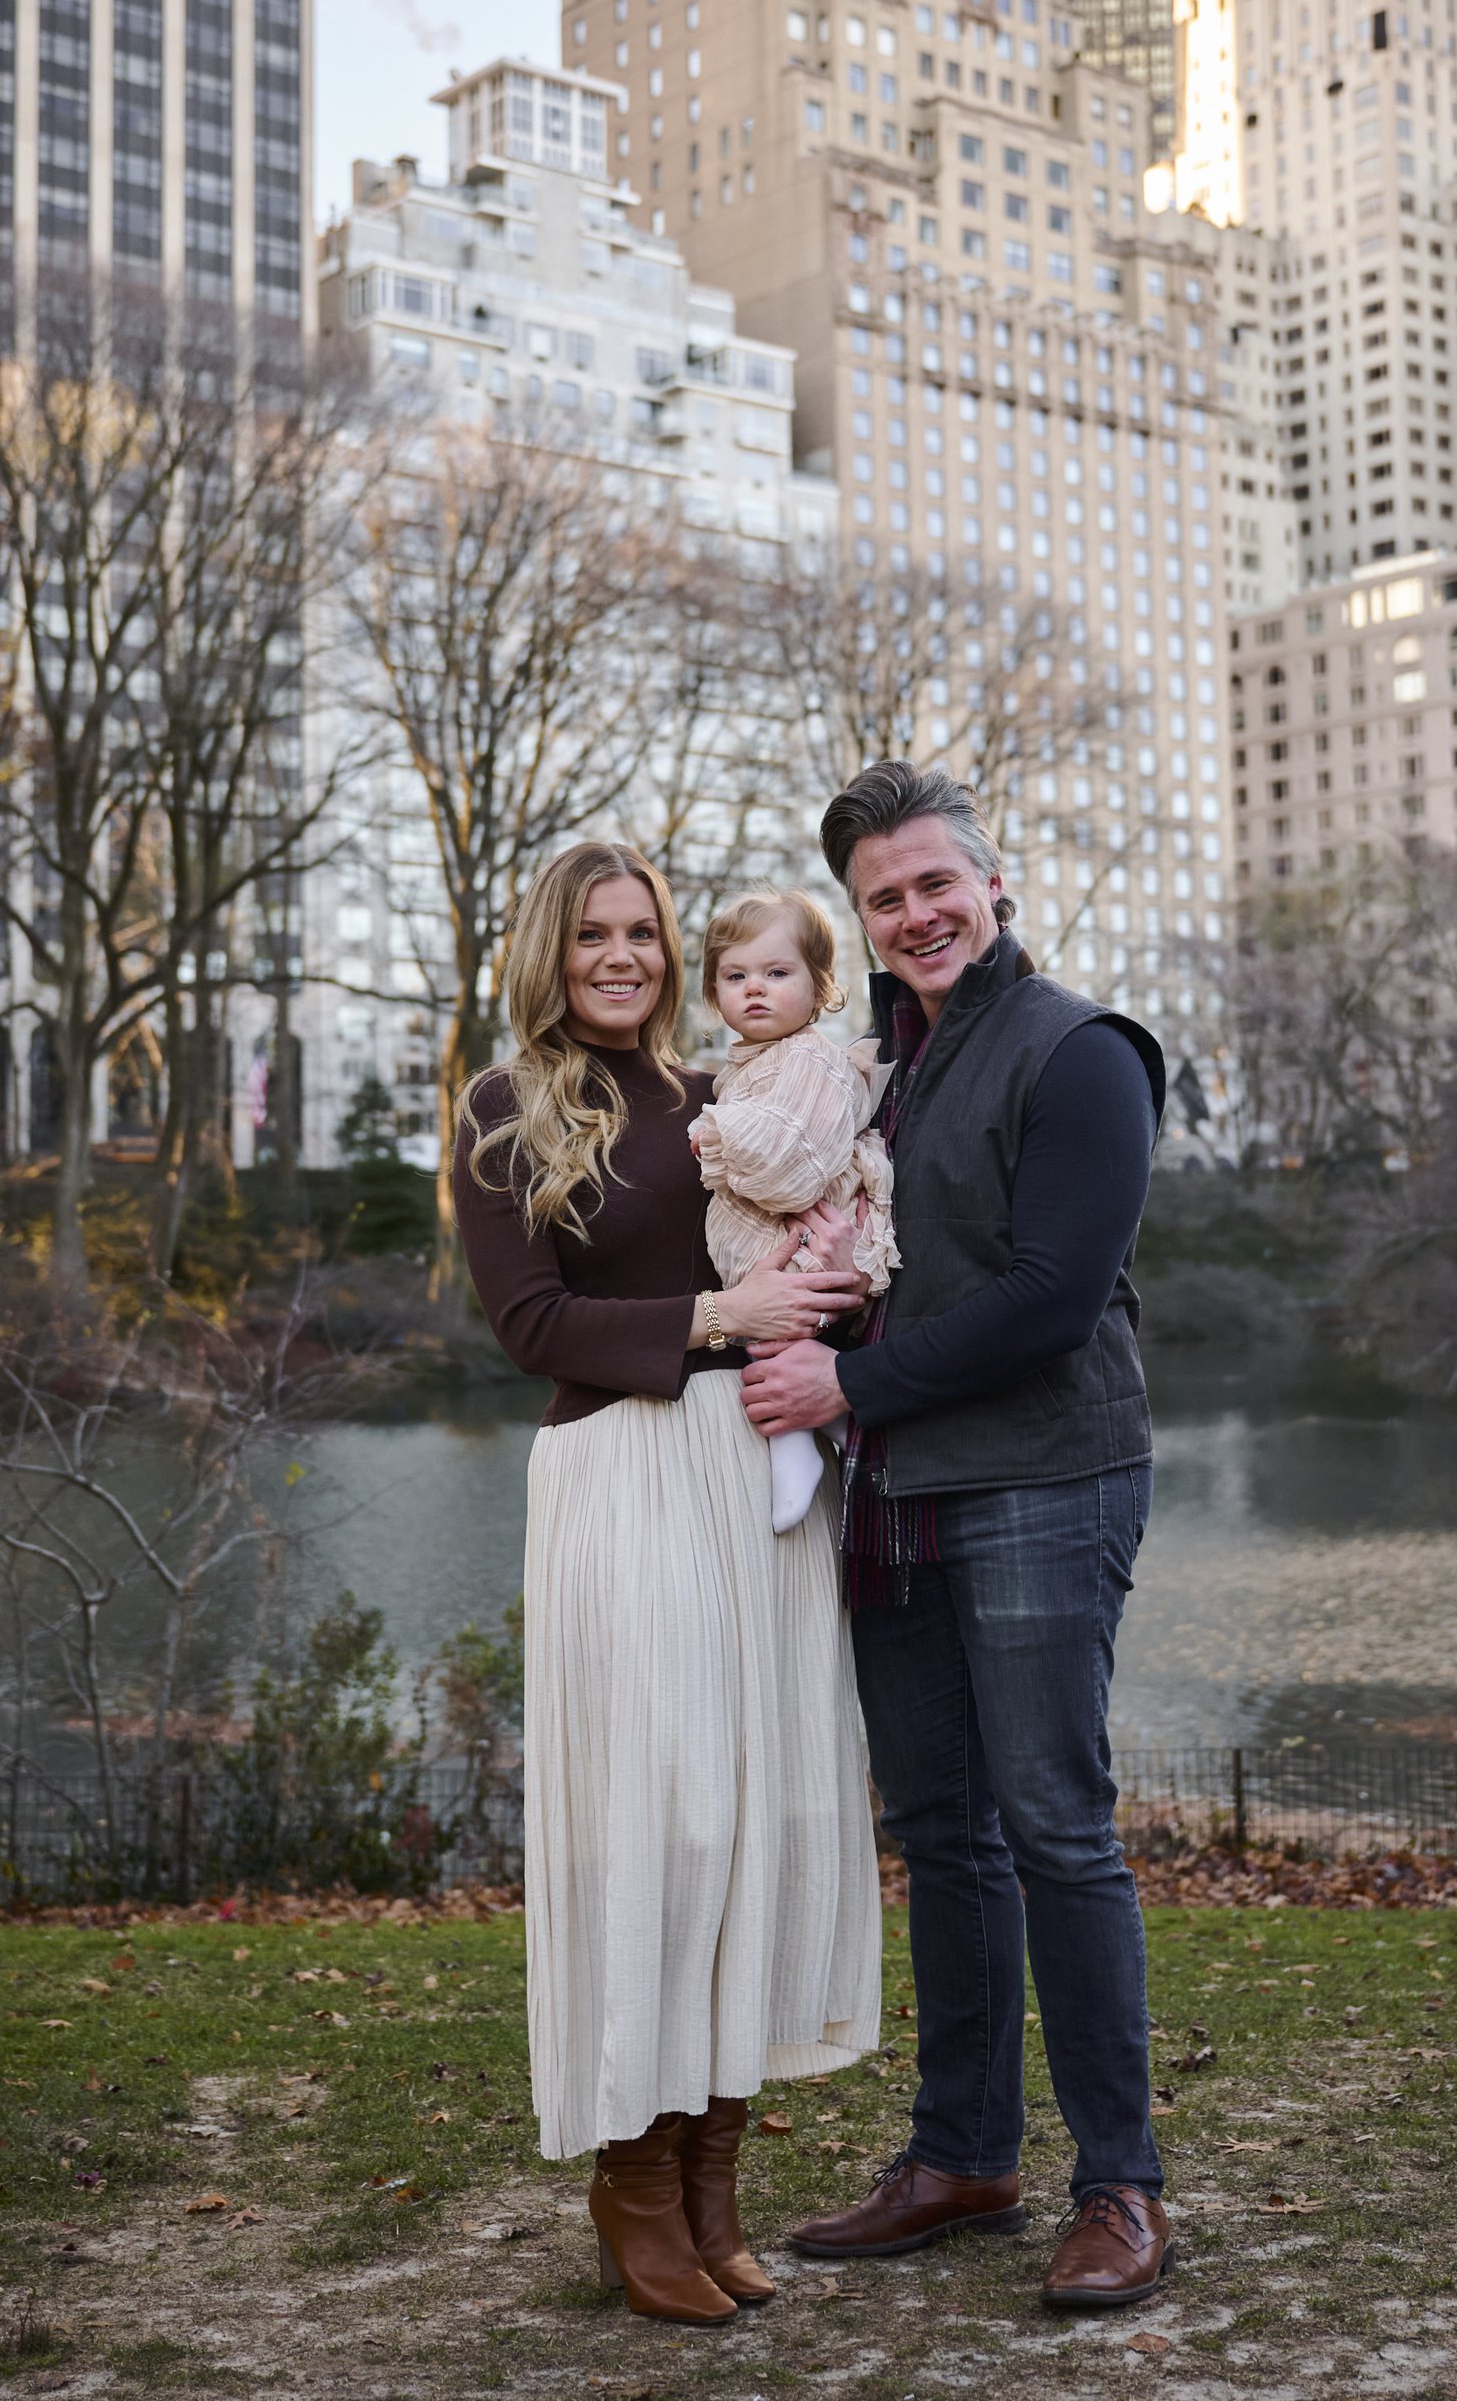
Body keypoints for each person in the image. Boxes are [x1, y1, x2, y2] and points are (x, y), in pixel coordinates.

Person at [741, 761, 1173, 2311]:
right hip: (902, 1497)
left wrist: (846, 1385)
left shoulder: (1083, 1051)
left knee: (1056, 1828)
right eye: (885, 897)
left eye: (937, 883)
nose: (917, 913)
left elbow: (1053, 1298)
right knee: (945, 1835)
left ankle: (1120, 2187)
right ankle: (963, 2156)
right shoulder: (878, 1070)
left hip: (1046, 1479)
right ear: (861, 920)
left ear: (994, 886)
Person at [452, 839, 881, 2327]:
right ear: (552, 954)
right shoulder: (505, 1107)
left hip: (754, 1473)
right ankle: (633, 2186)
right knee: (667, 1819)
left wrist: (831, 1290)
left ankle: (712, 2189)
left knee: (759, 1817)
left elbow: (816, 1231)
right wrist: (720, 1314)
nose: (623, 957)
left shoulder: (726, 1093)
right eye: (594, 936)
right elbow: (531, 1324)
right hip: (622, 1470)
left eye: (642, 932)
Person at [689, 887, 899, 1531]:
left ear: (820, 988)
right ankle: (819, 1426)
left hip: (804, 1231)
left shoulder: (807, 1058)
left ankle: (793, 1441)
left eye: (777, 973)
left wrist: (719, 1133)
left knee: (777, 1322)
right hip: (779, 1237)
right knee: (767, 1319)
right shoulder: (754, 1061)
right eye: (735, 976)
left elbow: (791, 1167)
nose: (755, 988)